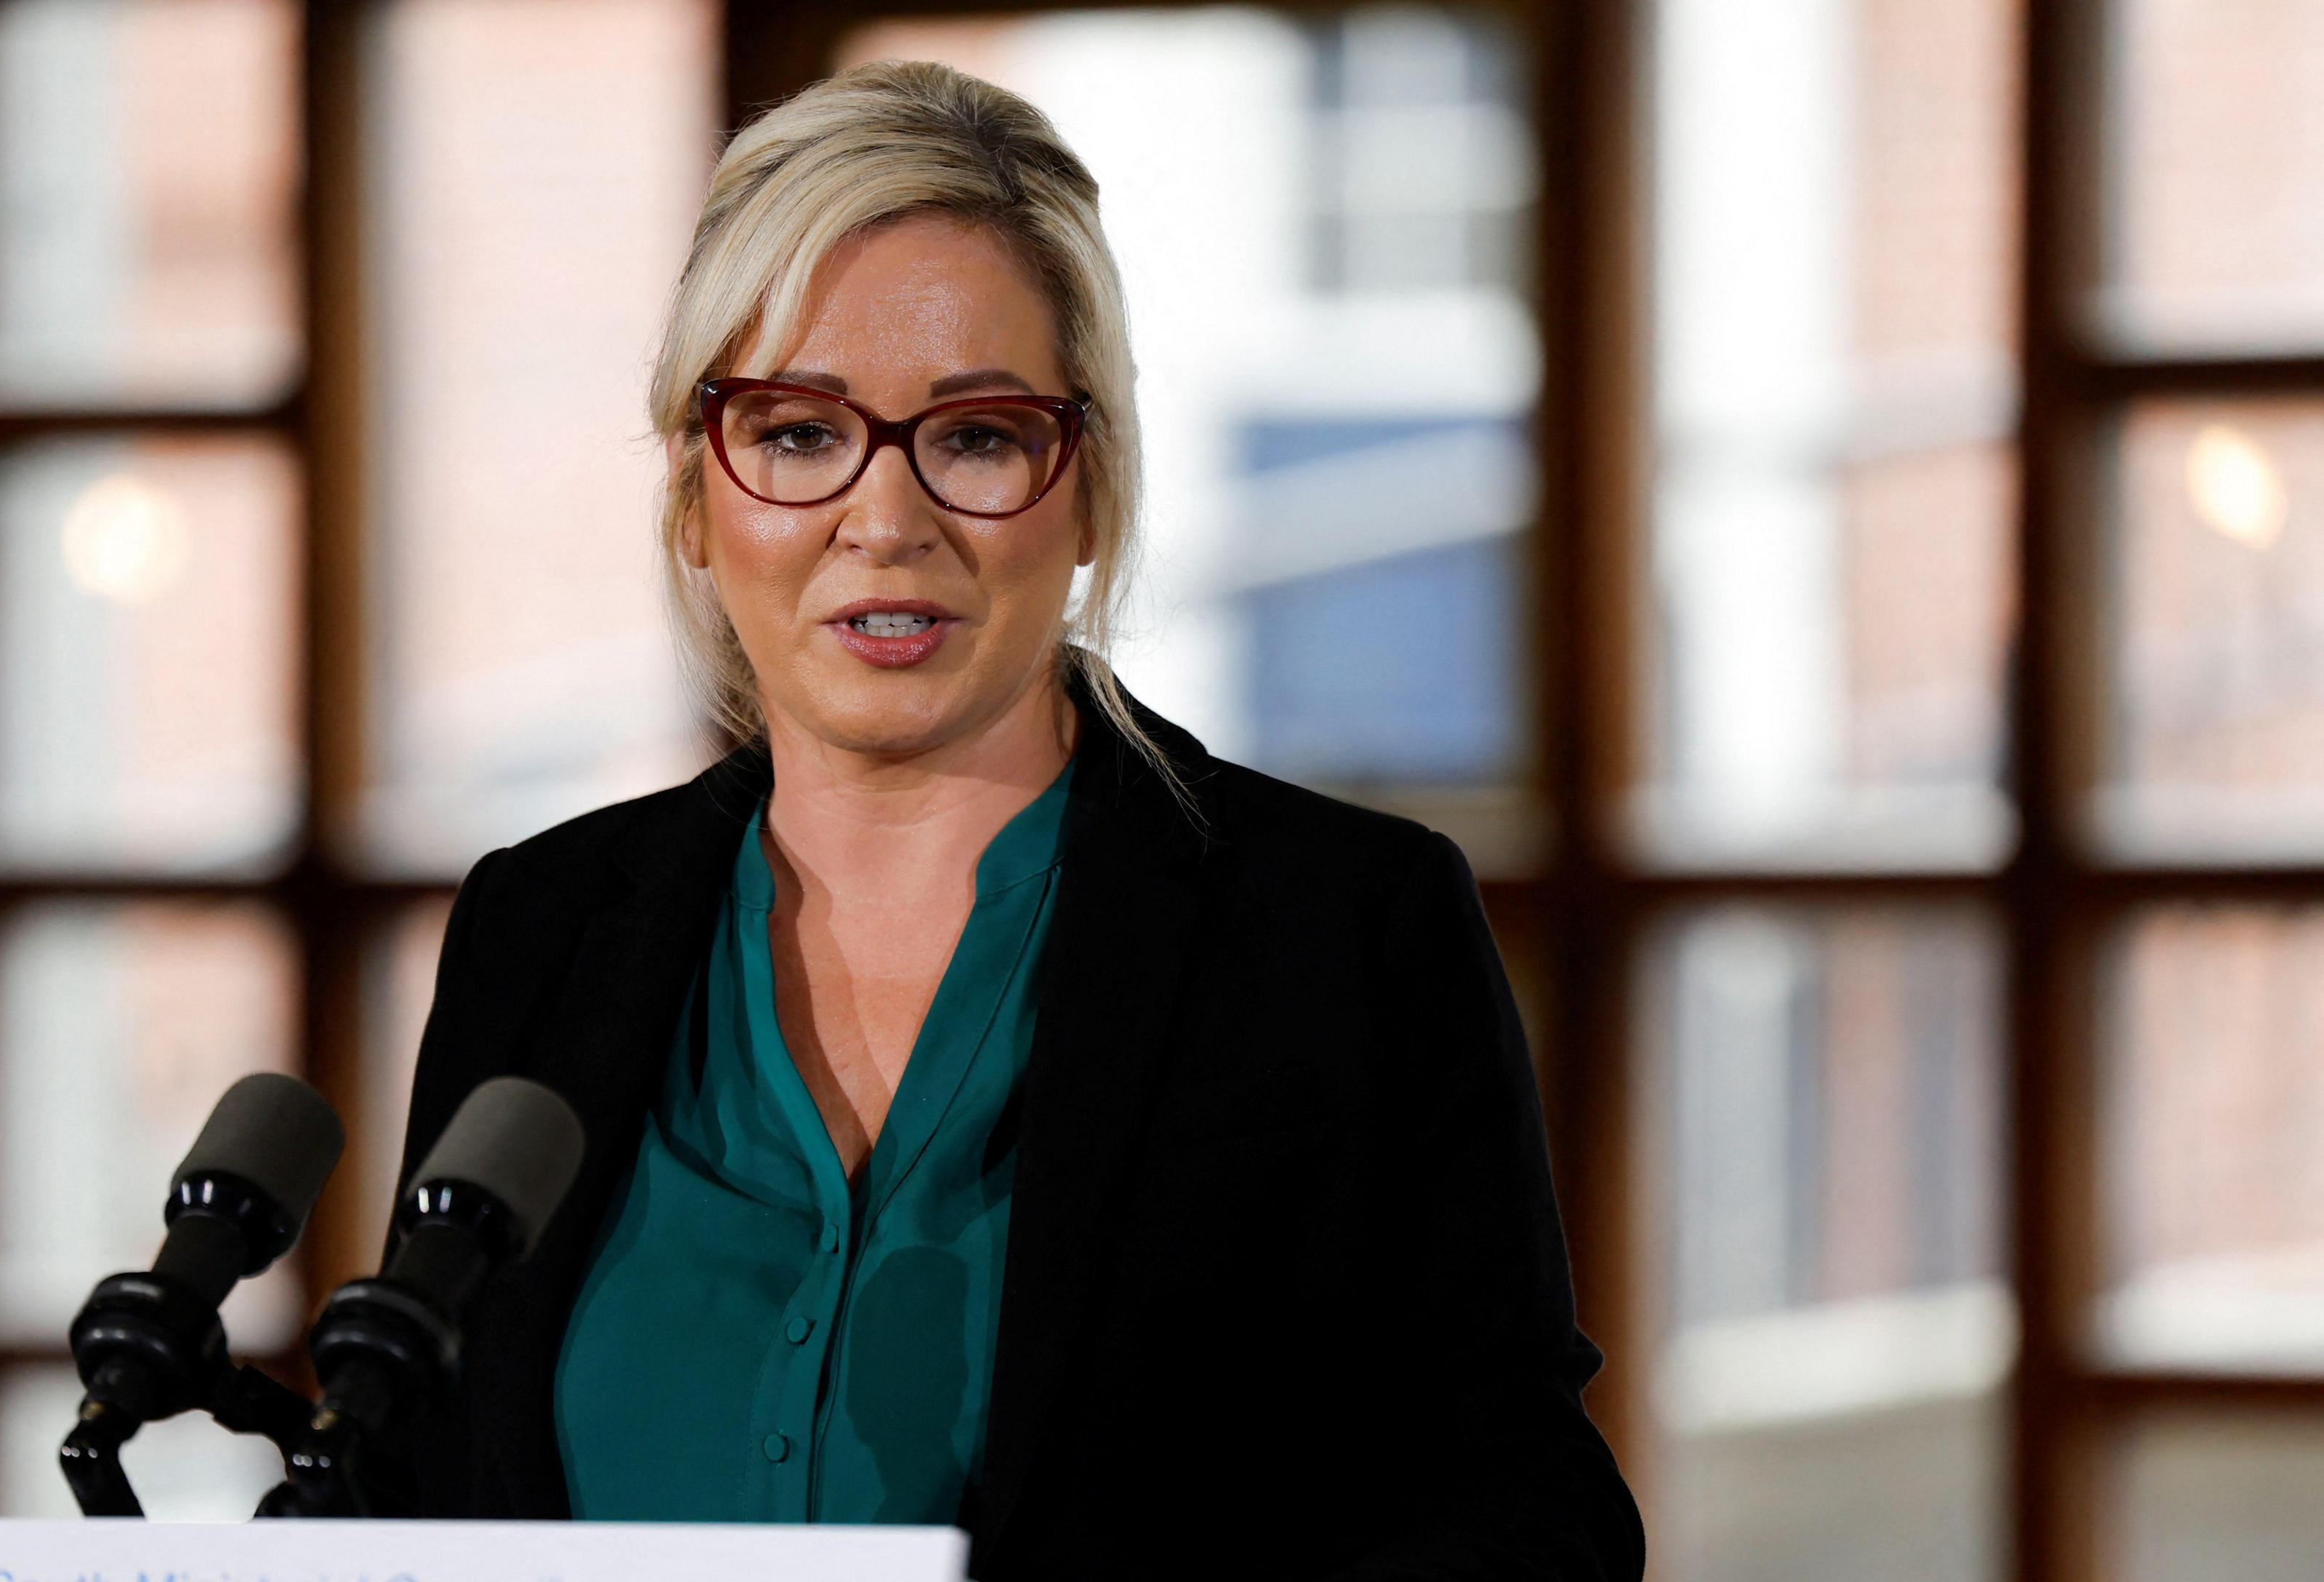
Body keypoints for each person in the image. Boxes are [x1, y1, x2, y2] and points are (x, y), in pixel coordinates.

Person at [390, 59, 1642, 1579]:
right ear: (690, 494)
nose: (885, 516)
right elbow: (420, 1482)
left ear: (1092, 488)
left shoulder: (1345, 931)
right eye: (797, 433)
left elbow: (1534, 1528)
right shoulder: (539, 928)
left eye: (976, 436)